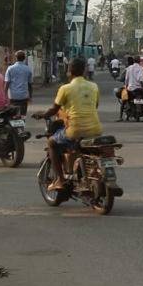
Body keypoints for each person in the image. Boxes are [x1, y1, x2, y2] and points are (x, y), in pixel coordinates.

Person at [32, 57, 103, 192]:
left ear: (69, 71)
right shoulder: (94, 86)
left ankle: (61, 180)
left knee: (52, 143)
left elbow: (54, 110)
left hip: (75, 130)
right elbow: (95, 106)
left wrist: (43, 115)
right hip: (95, 129)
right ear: (85, 71)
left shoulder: (65, 88)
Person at [116, 56, 143, 122]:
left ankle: (120, 117)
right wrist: (142, 87)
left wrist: (126, 86)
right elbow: (141, 79)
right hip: (138, 89)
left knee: (123, 101)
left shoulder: (129, 68)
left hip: (130, 89)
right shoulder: (141, 68)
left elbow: (126, 79)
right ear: (139, 61)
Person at [4, 50, 33, 117]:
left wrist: (5, 95)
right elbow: (30, 85)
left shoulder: (10, 68)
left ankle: (14, 126)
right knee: (23, 115)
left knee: (13, 115)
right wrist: (30, 96)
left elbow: (7, 83)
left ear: (16, 58)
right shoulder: (28, 69)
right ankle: (22, 125)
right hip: (24, 96)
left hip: (13, 96)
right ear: (24, 58)